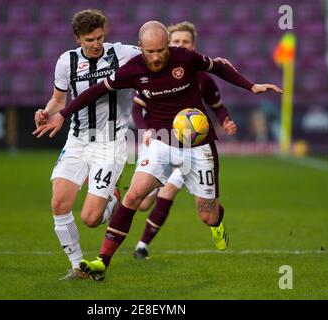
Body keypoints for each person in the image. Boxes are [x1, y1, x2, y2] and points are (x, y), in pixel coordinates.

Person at [34, 21, 282, 281]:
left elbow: (218, 66)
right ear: (141, 48)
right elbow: (96, 91)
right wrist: (62, 114)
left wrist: (251, 86)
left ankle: (218, 223)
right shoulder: (132, 69)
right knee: (133, 197)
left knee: (207, 216)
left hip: (199, 145)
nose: (156, 57)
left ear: (168, 46)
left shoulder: (185, 58)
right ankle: (102, 261)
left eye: (161, 50)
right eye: (150, 51)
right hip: (162, 142)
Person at [33, 9, 141, 280]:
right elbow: (59, 100)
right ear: (77, 38)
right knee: (59, 203)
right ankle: (78, 266)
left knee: (91, 219)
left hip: (111, 143)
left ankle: (112, 198)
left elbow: (156, 54)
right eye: (89, 40)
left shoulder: (123, 53)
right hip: (78, 140)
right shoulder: (65, 62)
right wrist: (47, 112)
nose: (95, 44)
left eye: (99, 38)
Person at [132, 21, 237, 260]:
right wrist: (146, 130)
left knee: (173, 195)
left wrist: (226, 120)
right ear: (168, 44)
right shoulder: (152, 73)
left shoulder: (202, 78)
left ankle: (142, 245)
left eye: (185, 42)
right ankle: (139, 243)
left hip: (192, 147)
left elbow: (217, 106)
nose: (180, 45)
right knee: (144, 203)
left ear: (193, 46)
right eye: (175, 42)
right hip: (161, 142)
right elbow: (137, 111)